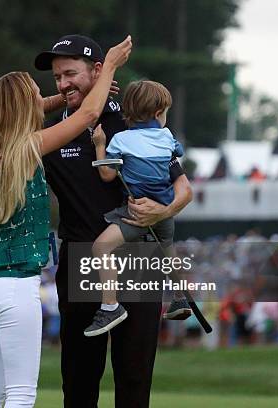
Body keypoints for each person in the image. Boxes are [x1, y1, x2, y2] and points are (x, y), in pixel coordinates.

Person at [0, 34, 192, 408]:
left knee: (134, 380)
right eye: (57, 78)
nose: (63, 83)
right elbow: (4, 135)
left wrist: (166, 210)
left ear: (97, 71)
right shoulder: (50, 132)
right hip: (80, 260)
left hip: (137, 257)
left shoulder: (132, 124)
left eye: (70, 73)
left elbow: (183, 187)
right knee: (79, 381)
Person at [84, 80, 191, 337]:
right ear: (157, 114)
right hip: (165, 209)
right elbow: (177, 153)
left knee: (101, 247)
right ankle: (180, 298)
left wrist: (99, 144)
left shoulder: (121, 139)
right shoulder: (167, 137)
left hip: (136, 212)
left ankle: (110, 306)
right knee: (167, 247)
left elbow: (108, 175)